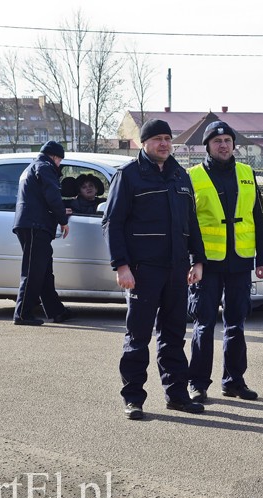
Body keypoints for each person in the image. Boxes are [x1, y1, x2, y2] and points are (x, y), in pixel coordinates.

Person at [102, 118, 208, 420]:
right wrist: (121, 266)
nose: (164, 143)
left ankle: (176, 395)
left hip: (176, 270)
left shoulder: (180, 176)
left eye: (167, 138)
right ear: (144, 142)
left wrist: (197, 260)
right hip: (142, 271)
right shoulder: (129, 175)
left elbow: (191, 223)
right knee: (138, 337)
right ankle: (133, 398)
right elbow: (113, 223)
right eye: (157, 138)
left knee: (174, 335)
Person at [186, 121, 263, 403]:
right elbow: (188, 224)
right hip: (208, 263)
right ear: (207, 146)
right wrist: (193, 260)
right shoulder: (194, 176)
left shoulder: (247, 173)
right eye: (216, 141)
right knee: (204, 323)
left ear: (233, 144)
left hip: (240, 262)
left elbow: (258, 218)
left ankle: (234, 381)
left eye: (227, 140)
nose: (223, 145)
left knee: (237, 323)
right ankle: (197, 383)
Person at [12, 140, 72, 326]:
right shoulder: (45, 167)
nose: (59, 164)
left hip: (33, 224)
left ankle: (56, 311)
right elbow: (52, 195)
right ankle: (22, 314)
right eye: (59, 161)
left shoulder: (33, 167)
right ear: (54, 156)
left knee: (44, 271)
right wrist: (63, 219)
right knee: (32, 271)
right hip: (35, 225)